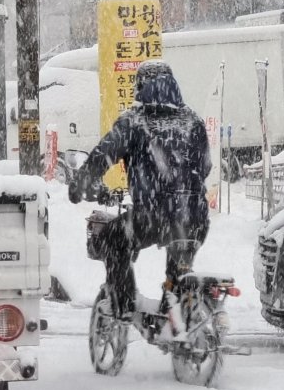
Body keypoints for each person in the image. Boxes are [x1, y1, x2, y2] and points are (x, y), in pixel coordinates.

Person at [68, 60, 212, 320]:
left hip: (154, 217)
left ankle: (123, 304)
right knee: (178, 275)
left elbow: (103, 155)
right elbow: (205, 167)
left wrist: (81, 184)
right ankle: (177, 317)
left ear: (141, 87)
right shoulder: (192, 121)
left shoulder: (134, 122)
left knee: (113, 239)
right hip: (196, 218)